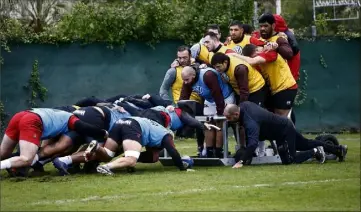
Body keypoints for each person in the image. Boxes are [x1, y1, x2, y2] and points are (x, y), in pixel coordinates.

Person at [223, 103, 348, 168]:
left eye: (228, 118)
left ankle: (315, 152)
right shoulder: (244, 105)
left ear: (235, 114)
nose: (227, 120)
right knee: (305, 143)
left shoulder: (250, 121)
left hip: (283, 131)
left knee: (290, 160)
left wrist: (241, 161)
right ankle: (339, 150)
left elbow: (253, 144)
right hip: (283, 127)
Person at [0, 108, 108, 171]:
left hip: (21, 115)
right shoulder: (71, 118)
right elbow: (83, 127)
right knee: (26, 159)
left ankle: (13, 166)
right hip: (32, 120)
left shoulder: (58, 115)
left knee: (3, 153)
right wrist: (103, 133)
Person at [84, 117, 194, 175]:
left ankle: (97, 147)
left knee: (108, 154)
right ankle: (105, 167)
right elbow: (172, 150)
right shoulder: (167, 135)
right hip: (134, 126)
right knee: (131, 160)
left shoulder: (156, 131)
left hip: (121, 122)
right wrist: (181, 167)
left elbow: (153, 156)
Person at [180, 66, 234, 158]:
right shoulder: (188, 80)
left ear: (193, 75)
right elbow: (184, 97)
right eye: (184, 80)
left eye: (186, 80)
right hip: (210, 99)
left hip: (224, 97)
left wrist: (220, 112)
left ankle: (218, 151)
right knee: (208, 123)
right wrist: (181, 110)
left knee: (219, 123)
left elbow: (217, 93)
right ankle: (209, 150)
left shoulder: (208, 75)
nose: (185, 82)